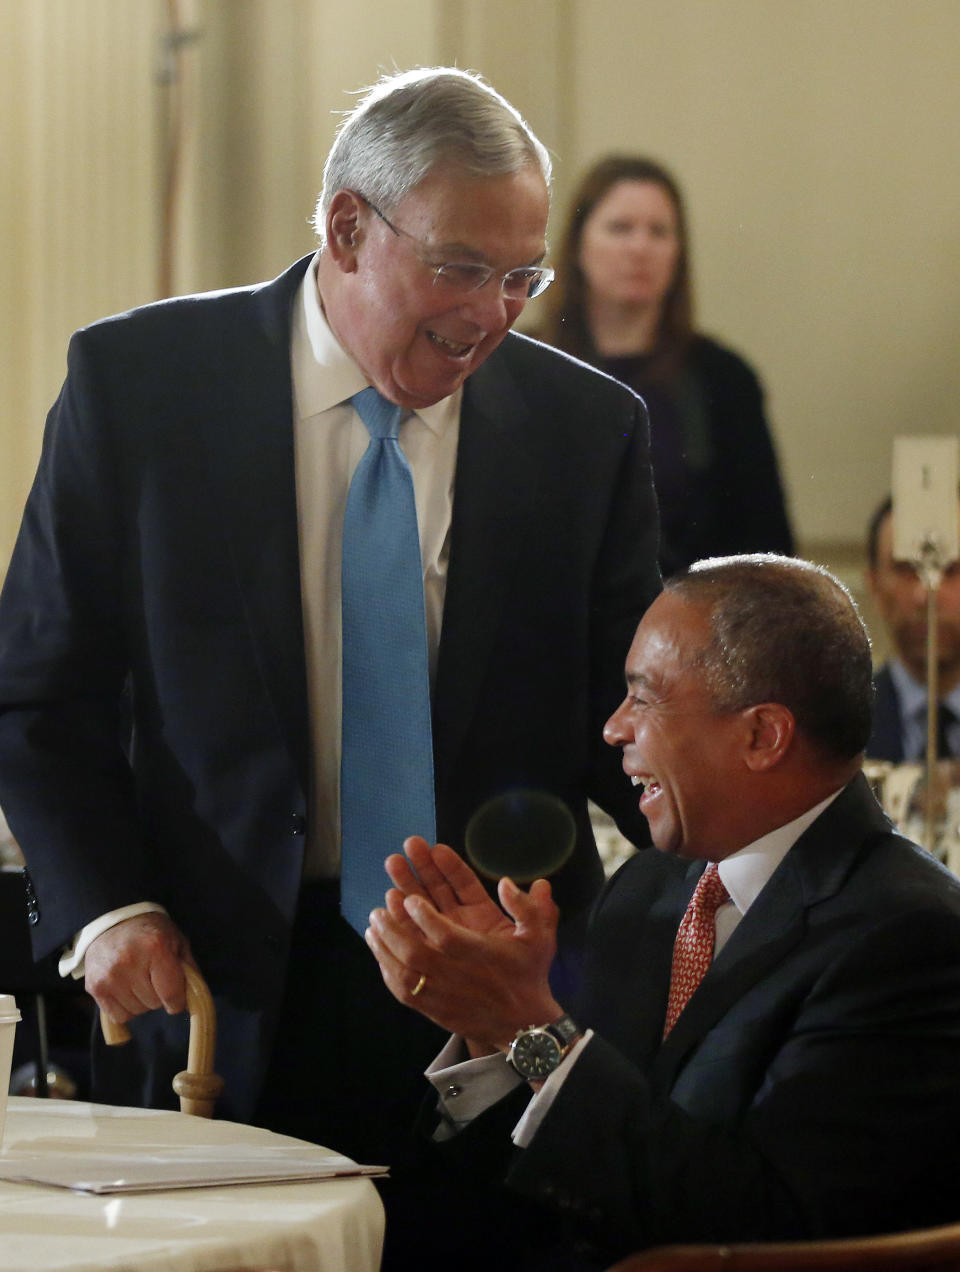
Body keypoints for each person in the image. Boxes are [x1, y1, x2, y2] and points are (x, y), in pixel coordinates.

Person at [0, 67, 660, 1166]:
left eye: (520, 277)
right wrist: (106, 908)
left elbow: (630, 723)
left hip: (490, 997)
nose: (490, 314)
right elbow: (37, 693)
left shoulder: (586, 433)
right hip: (206, 989)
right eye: (460, 269)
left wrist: (749, 906)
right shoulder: (142, 386)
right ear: (349, 228)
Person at [367, 554, 960, 1269]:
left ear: (760, 735)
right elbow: (564, 1174)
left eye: (643, 698)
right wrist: (492, 1036)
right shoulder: (650, 888)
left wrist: (525, 1025)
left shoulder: (908, 936)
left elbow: (768, 1221)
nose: (614, 728)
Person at [535, 155, 793, 575]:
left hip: (692, 624)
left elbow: (767, 546)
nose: (640, 247)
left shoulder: (723, 379)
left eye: (659, 232)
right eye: (620, 228)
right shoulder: (523, 365)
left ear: (678, 252)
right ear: (578, 245)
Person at [865, 493, 960, 761]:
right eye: (906, 569)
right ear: (874, 586)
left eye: (950, 569)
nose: (927, 594)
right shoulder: (837, 729)